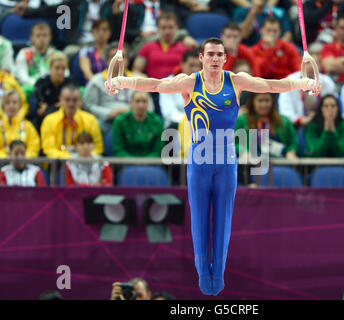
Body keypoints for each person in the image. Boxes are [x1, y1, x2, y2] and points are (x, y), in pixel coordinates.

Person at [105, 37, 320, 296]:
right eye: (211, 54)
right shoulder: (189, 82)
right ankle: (202, 273)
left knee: (222, 220)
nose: (216, 58)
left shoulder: (236, 80)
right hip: (199, 162)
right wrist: (120, 81)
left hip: (227, 161)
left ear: (225, 58)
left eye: (220, 54)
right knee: (199, 221)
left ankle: (217, 275)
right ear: (202, 58)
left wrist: (305, 82)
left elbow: (272, 86)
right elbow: (155, 84)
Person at [84, 42, 154, 134]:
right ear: (107, 60)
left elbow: (150, 107)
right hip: (107, 123)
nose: (118, 59)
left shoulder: (139, 80)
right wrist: (110, 113)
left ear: (128, 60)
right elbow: (89, 106)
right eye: (113, 56)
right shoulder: (96, 81)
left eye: (123, 56)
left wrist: (134, 112)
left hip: (135, 121)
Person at [41, 85, 103, 159]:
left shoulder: (90, 120)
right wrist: (71, 158)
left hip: (86, 161)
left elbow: (98, 148)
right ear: (60, 100)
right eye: (67, 100)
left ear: (80, 101)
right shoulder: (49, 121)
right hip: (60, 163)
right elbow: (49, 149)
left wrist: (83, 157)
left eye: (75, 100)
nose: (71, 104)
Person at [278, 50, 336, 127]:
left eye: (315, 63)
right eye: (308, 63)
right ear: (300, 65)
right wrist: (300, 120)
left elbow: (333, 106)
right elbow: (285, 110)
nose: (311, 67)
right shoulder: (290, 81)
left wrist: (322, 118)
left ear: (320, 66)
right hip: (297, 124)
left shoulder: (328, 82)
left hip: (322, 122)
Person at [235, 92, 299, 159]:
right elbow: (232, 142)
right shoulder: (242, 120)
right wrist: (244, 151)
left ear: (273, 102)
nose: (264, 104)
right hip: (251, 163)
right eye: (260, 101)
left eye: (267, 100)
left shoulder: (284, 121)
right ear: (252, 102)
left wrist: (291, 152)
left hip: (279, 162)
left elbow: (292, 142)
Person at [132, 12, 191, 79]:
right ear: (158, 28)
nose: (167, 31)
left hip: (177, 86)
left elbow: (192, 71)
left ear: (176, 28)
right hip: (153, 87)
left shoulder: (185, 48)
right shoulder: (147, 47)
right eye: (163, 28)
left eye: (170, 27)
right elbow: (136, 70)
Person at [14, 23, 64, 98]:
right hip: (32, 88)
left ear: (50, 37)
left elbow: (65, 75)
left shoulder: (58, 55)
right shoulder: (24, 53)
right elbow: (22, 77)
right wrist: (40, 85)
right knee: (24, 90)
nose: (41, 39)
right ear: (31, 37)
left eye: (44, 35)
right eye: (38, 35)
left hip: (54, 88)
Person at [32, 52, 78, 132]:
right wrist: (59, 106)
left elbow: (73, 106)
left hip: (68, 119)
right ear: (50, 68)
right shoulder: (41, 83)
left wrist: (49, 107)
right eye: (57, 68)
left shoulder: (71, 83)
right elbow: (41, 110)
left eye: (63, 68)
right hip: (44, 121)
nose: (60, 72)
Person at [112, 91, 164, 157]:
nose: (141, 105)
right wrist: (134, 162)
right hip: (127, 164)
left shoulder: (157, 121)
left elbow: (158, 151)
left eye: (144, 101)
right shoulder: (120, 121)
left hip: (151, 164)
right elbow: (118, 150)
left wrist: (144, 162)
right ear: (131, 104)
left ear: (148, 104)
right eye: (137, 101)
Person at [159, 49, 201, 129]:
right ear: (182, 64)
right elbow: (169, 112)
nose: (195, 69)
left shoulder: (204, 84)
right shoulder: (168, 83)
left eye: (198, 66)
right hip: (175, 126)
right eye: (191, 65)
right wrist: (189, 121)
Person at [0, 89, 40, 158]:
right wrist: (6, 157)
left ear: (20, 105)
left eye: (14, 102)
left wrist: (22, 157)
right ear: (3, 106)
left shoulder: (28, 126)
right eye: (7, 102)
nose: (11, 105)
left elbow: (34, 148)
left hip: (24, 163)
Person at [78, 19, 111, 84]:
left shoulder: (113, 51)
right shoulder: (85, 51)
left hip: (111, 87)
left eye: (104, 30)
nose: (101, 33)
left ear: (109, 32)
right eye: (97, 30)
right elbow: (87, 73)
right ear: (92, 33)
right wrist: (101, 86)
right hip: (93, 86)